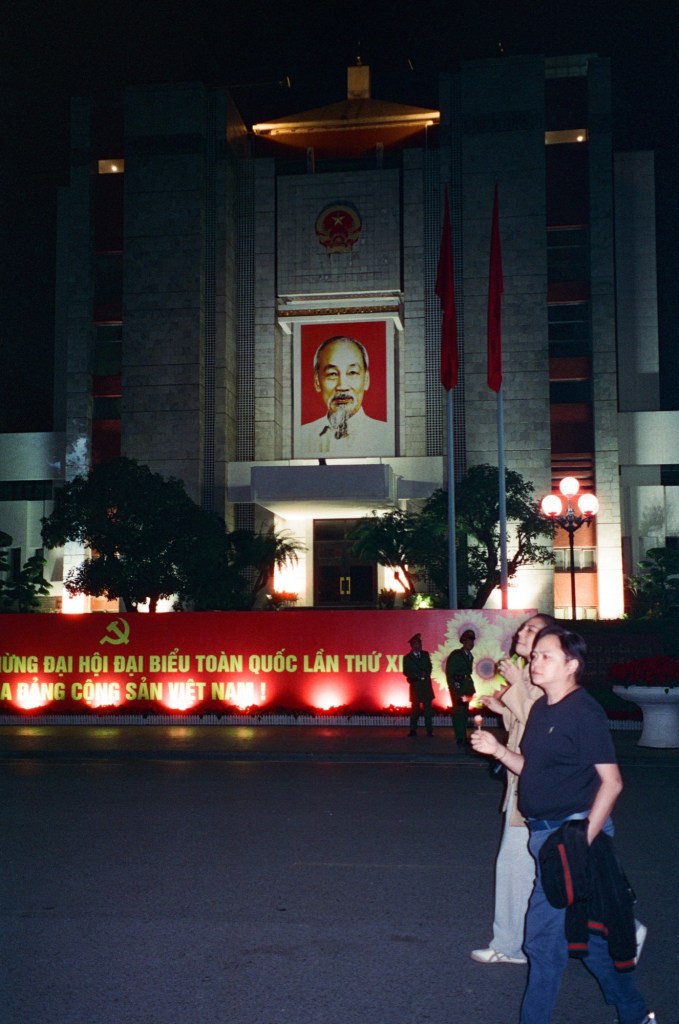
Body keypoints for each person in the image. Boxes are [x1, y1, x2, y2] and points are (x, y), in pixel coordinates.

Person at [471, 625, 654, 1024]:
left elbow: (612, 782)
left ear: (571, 665)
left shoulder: (584, 712)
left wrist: (580, 840)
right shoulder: (542, 708)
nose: (535, 662)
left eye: (546, 656)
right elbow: (533, 769)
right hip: (544, 835)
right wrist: (498, 750)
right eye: (535, 655)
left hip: (569, 836)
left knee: (542, 941)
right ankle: (636, 1014)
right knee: (588, 938)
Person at [470, 613, 555, 964]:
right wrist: (502, 707)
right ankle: (510, 945)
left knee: (548, 873)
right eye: (523, 628)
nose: (522, 633)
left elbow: (541, 720)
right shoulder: (530, 672)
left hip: (539, 789)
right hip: (525, 787)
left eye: (531, 629)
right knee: (525, 871)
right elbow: (522, 720)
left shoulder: (543, 674)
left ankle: (621, 928)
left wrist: (517, 685)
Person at [298, 336, 393, 456]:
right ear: (317, 382)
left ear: (366, 380)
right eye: (332, 374)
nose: (342, 386)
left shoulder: (387, 435)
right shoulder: (301, 437)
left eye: (352, 372)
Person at [445, 628, 476, 746]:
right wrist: (453, 687)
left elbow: (468, 673)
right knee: (458, 712)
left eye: (472, 641)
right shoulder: (456, 654)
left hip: (467, 686)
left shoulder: (470, 655)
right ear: (463, 642)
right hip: (458, 687)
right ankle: (460, 737)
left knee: (464, 712)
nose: (471, 643)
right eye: (468, 641)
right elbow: (449, 672)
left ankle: (463, 735)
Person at [403, 632, 434, 736]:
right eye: (416, 644)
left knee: (428, 710)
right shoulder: (407, 658)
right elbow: (406, 671)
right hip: (416, 686)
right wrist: (417, 675)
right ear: (412, 646)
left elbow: (429, 666)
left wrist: (426, 673)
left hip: (426, 685)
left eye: (420, 644)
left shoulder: (425, 654)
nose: (419, 646)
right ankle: (413, 730)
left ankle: (429, 730)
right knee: (415, 710)